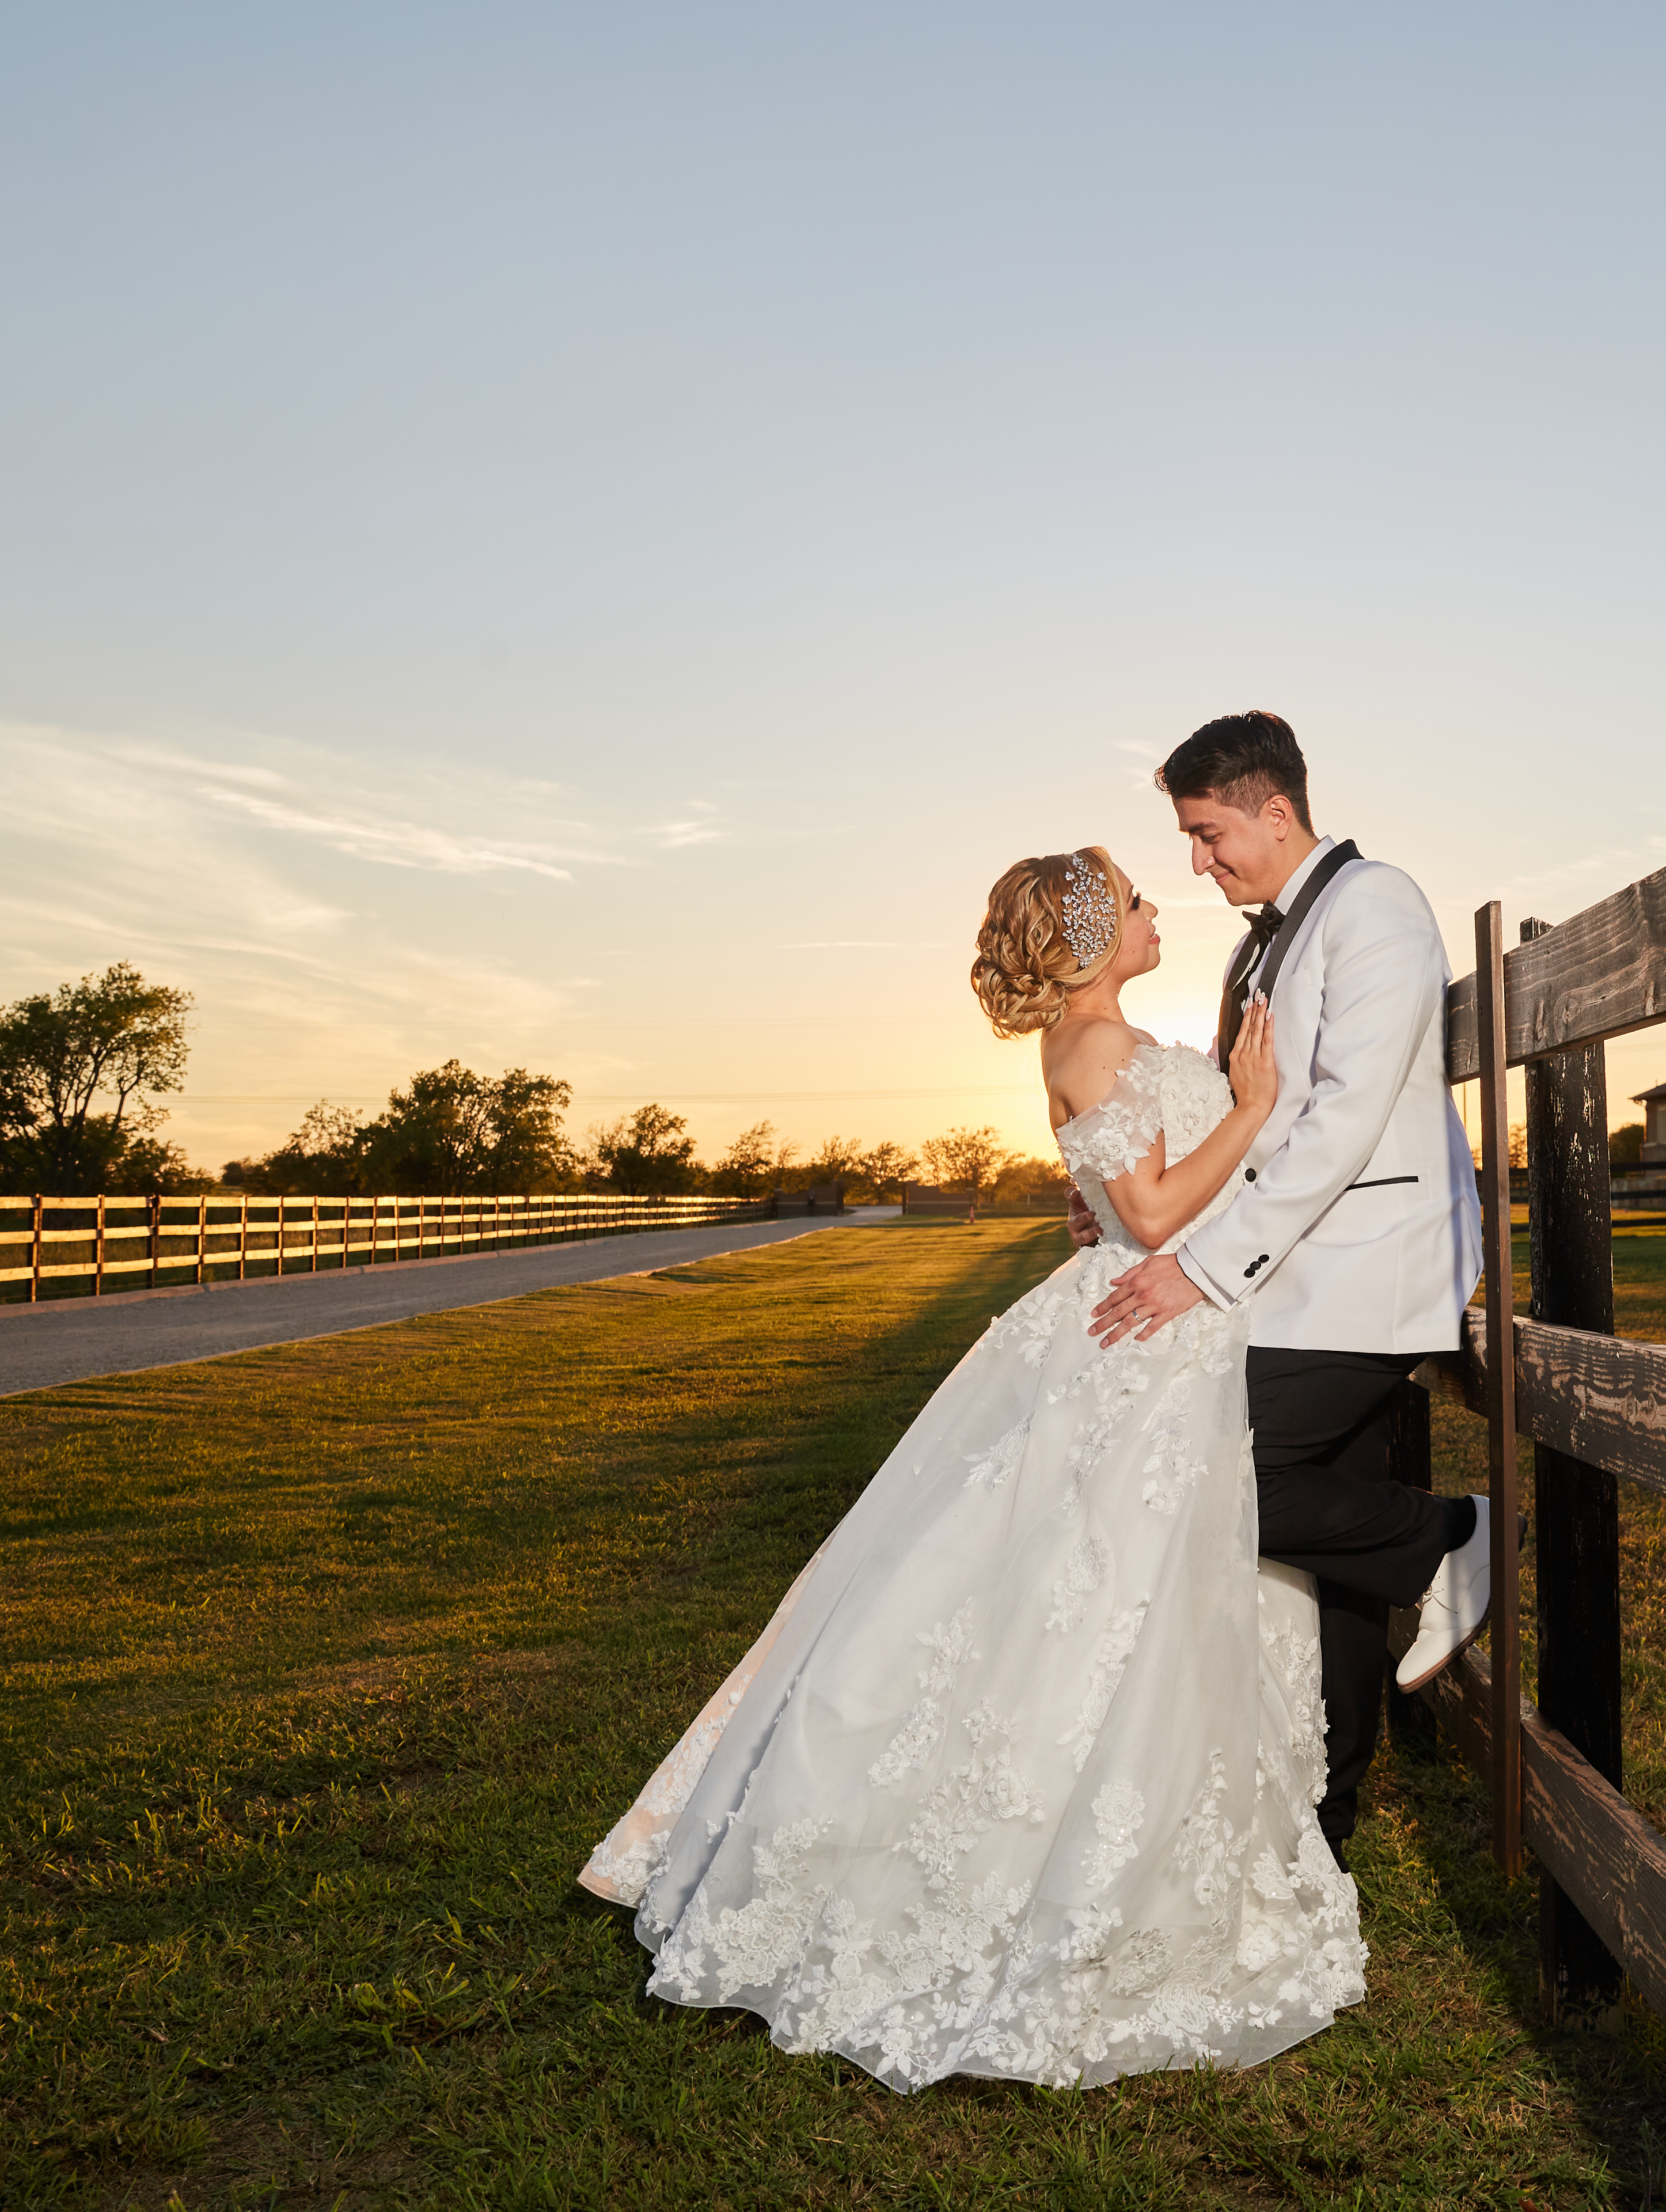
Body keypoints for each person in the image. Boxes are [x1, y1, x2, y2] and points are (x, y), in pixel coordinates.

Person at [578, 845, 1365, 2091]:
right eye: (1142, 902)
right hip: (1145, 1331)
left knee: (1113, 1583)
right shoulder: (1098, 1046)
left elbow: (1125, 1195)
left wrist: (1131, 1193)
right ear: (1100, 932)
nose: (1163, 910)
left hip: (1156, 1323)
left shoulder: (1106, 1045)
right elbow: (1158, 1215)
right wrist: (1258, 1110)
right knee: (1096, 1588)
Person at [1084, 711, 1494, 1854]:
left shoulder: (1376, 910)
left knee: (1213, 1469)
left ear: (1279, 811)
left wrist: (1201, 1273)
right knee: (1329, 1542)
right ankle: (1327, 1806)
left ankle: (1454, 1535)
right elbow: (1250, 1124)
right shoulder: (1263, 941)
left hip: (1373, 1268)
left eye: (1212, 836)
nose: (1199, 862)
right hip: (1300, 1275)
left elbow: (1344, 1124)